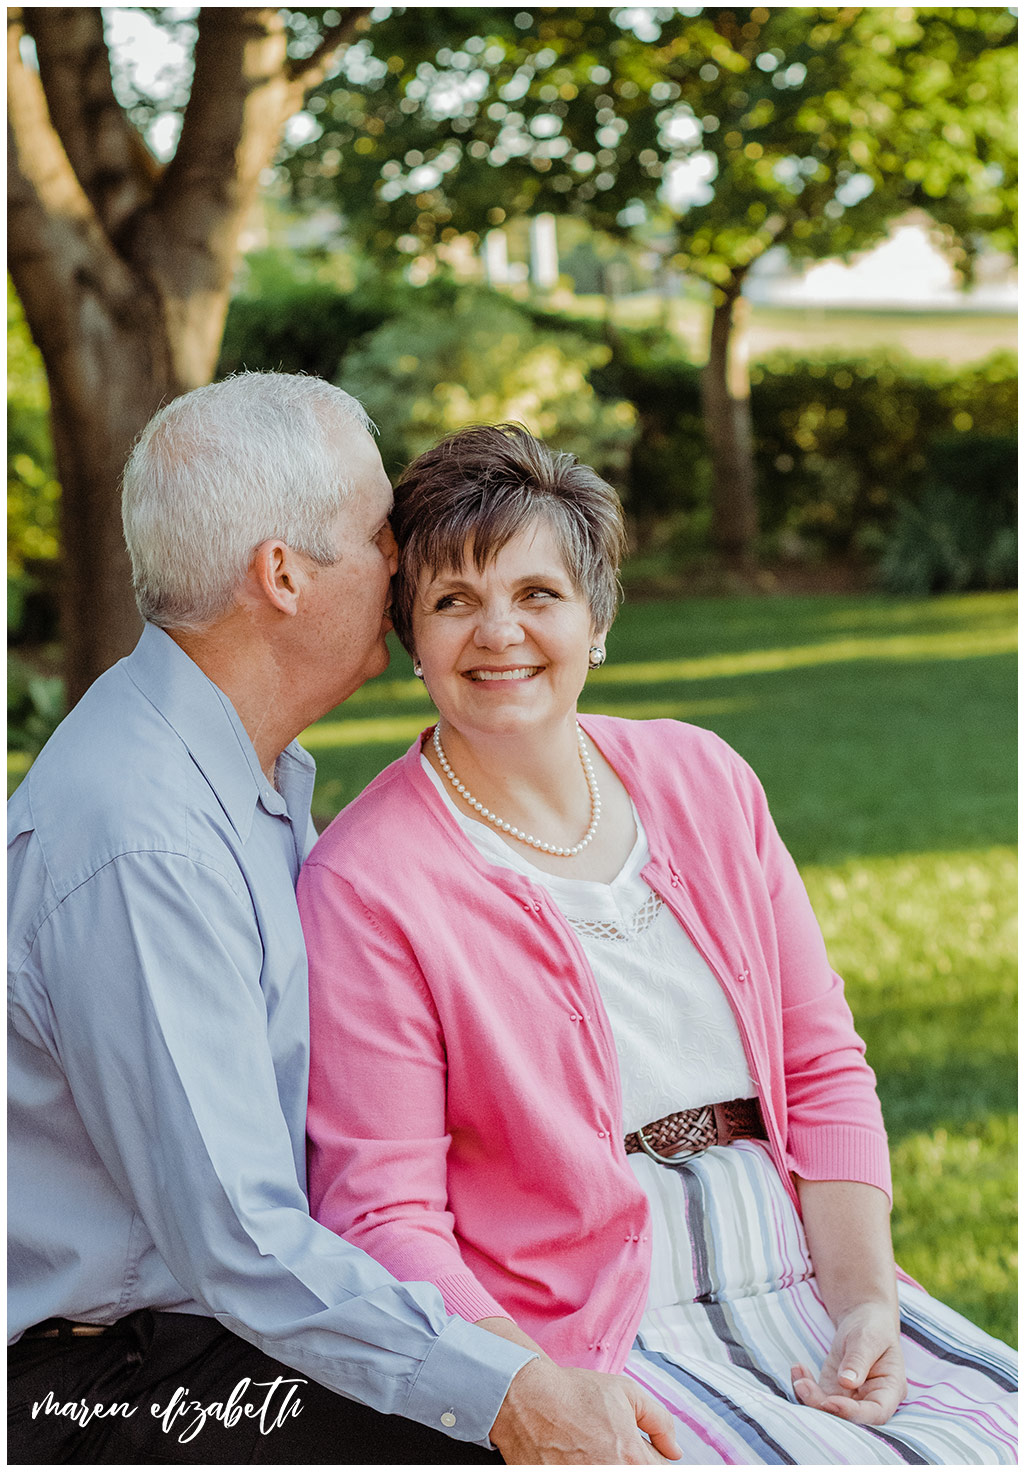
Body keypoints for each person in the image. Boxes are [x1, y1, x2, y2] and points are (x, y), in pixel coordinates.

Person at [298, 422, 1018, 1466]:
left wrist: (867, 1301)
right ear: (412, 635)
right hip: (591, 1334)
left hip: (806, 1279)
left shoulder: (705, 778)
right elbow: (385, 1209)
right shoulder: (368, 879)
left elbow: (820, 1068)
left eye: (537, 593)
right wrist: (531, 1393)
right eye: (454, 600)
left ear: (595, 620)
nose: (498, 631)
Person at [7, 377, 681, 1466]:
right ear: (281, 574)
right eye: (379, 534)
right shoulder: (146, 839)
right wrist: (510, 1392)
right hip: (106, 1380)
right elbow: (238, 1240)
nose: (404, 565)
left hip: (205, 1325)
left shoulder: (231, 772)